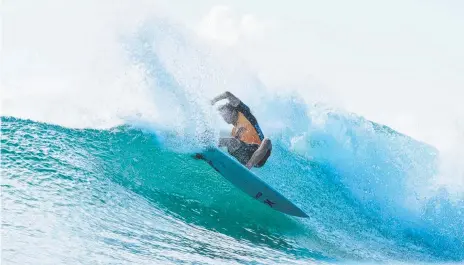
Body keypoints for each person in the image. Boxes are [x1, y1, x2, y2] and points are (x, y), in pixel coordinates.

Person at [211, 91, 272, 169]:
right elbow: (236, 147)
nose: (224, 117)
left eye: (225, 114)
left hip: (260, 153)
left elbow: (227, 94)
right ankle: (205, 146)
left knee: (267, 140)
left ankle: (249, 165)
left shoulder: (245, 113)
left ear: (233, 111)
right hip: (245, 156)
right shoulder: (233, 131)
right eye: (222, 116)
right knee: (227, 140)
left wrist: (213, 101)